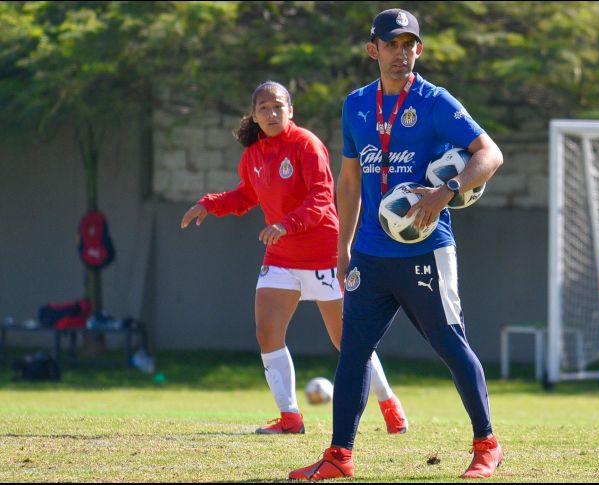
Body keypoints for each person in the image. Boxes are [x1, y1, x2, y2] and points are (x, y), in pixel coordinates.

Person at [289, 9, 504, 481]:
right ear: (374, 50)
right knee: (353, 352)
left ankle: (487, 445)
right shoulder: (356, 105)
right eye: (391, 44)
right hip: (369, 254)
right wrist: (342, 248)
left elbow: (490, 153)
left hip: (426, 252)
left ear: (419, 51)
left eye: (409, 44)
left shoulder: (435, 102)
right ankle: (339, 457)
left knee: (450, 344)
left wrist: (447, 190)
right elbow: (348, 180)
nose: (400, 53)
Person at [180, 81, 408, 435]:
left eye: (278, 106)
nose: (271, 113)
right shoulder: (253, 155)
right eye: (264, 108)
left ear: (290, 110)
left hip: (324, 255)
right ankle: (290, 417)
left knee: (348, 341)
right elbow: (244, 197)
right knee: (267, 332)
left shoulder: (307, 144)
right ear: (254, 115)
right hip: (282, 256)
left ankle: (389, 404)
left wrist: (286, 224)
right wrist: (209, 204)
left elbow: (321, 198)